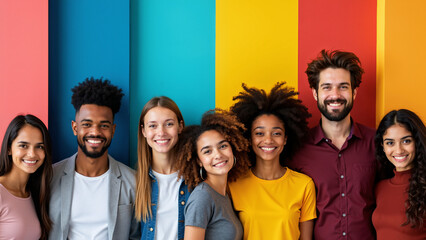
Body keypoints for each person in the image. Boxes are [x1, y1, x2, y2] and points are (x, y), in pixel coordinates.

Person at [286, 49, 377, 240]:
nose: (335, 95)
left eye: (343, 86)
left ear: (354, 92)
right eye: (326, 87)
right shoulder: (297, 149)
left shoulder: (377, 143)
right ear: (315, 93)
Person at [49, 77, 140, 239]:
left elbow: (135, 235)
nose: (95, 132)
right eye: (87, 124)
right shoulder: (50, 177)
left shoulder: (132, 181)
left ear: (113, 130)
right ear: (75, 128)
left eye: (104, 125)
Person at [229, 82, 316, 240]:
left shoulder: (304, 185)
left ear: (285, 139)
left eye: (276, 133)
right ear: (249, 139)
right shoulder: (234, 185)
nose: (268, 140)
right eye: (260, 133)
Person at [175, 109, 250, 240]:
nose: (218, 155)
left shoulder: (226, 194)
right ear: (199, 161)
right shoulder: (202, 197)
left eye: (223, 146)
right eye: (207, 151)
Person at [134, 96, 190, 240]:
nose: (161, 132)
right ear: (144, 131)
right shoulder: (134, 182)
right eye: (153, 125)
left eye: (169, 124)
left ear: (180, 126)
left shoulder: (195, 179)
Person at [372, 109, 426, 240]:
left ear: (417, 142)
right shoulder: (380, 187)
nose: (399, 150)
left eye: (406, 141)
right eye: (390, 143)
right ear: (383, 146)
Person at [0, 114, 52, 240]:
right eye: (23, 145)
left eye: (39, 146)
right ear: (9, 149)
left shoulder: (35, 193)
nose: (32, 154)